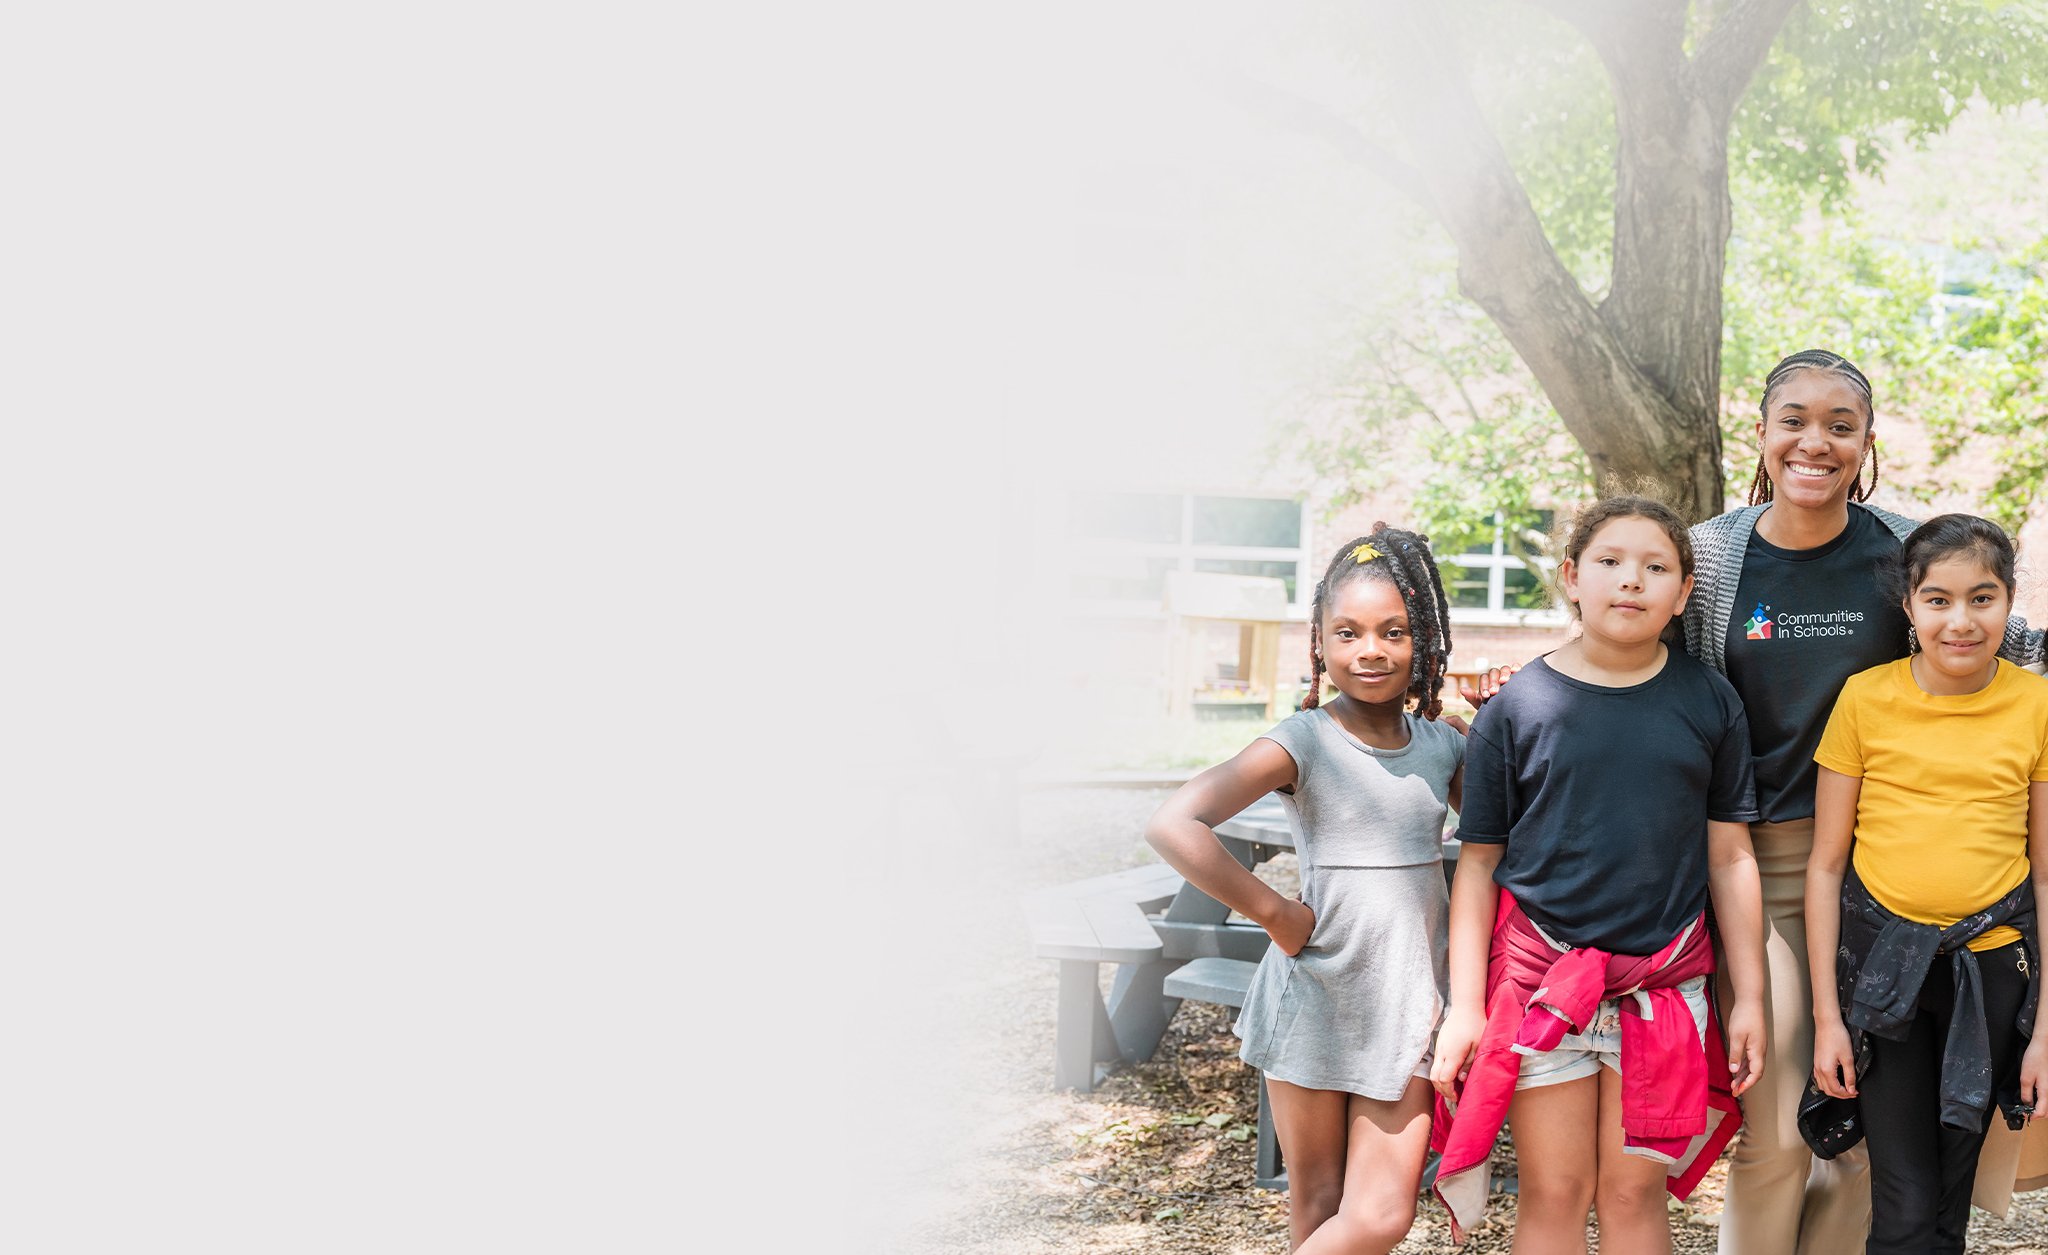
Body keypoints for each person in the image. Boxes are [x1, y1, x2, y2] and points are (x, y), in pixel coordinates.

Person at [1463, 349, 2047, 1253]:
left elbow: (1996, 639)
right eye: (1794, 421)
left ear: (1867, 440)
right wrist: (1533, 682)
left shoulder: (1902, 549)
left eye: (1840, 425)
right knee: (1775, 1125)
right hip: (1761, 864)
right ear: (1763, 433)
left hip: (1887, 871)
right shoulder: (1713, 553)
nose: (1816, 442)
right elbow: (1635, 652)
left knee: (1868, 1134)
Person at [1430, 496, 1766, 1254]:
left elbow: (1730, 856)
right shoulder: (1516, 708)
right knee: (1554, 1191)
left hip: (1665, 987)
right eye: (1610, 561)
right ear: (1572, 577)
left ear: (1683, 593)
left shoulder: (1710, 700)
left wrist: (1749, 997)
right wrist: (1464, 1007)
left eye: (1656, 567)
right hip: (1542, 985)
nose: (1631, 580)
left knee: (1633, 1193)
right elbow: (1478, 866)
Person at [1145, 525, 1464, 1254]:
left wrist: (1506, 715)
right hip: (1315, 997)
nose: (1370, 650)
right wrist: (1276, 912)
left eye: (1394, 632)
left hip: (1411, 1002)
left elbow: (1508, 836)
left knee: (1380, 1216)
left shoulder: (1445, 744)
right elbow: (1174, 823)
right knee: (1317, 1204)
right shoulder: (1305, 739)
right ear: (1319, 642)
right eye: (1348, 633)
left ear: (1425, 641)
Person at [1805, 514, 2048, 1254]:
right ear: (1908, 605)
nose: (1960, 621)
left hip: (1993, 972)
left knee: (1949, 1200)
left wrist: (2044, 1030)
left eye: (1982, 598)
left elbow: (2045, 870)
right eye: (1938, 600)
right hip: (1887, 978)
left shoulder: (2037, 705)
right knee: (1905, 1198)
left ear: (2009, 600)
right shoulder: (1864, 698)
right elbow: (1824, 865)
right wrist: (1827, 1018)